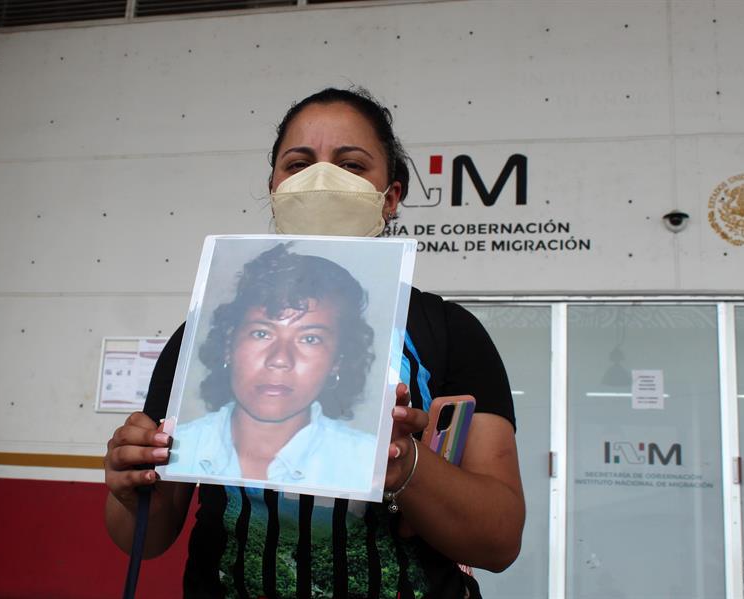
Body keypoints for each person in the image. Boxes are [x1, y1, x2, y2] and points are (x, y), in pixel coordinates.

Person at [105, 87, 525, 598]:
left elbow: (499, 541)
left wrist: (405, 462)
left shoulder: (449, 332)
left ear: (390, 197)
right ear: (275, 187)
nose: (321, 179)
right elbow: (145, 540)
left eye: (351, 165)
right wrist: (132, 490)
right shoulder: (204, 332)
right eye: (299, 164)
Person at [168, 242, 378, 491]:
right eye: (261, 333)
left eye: (310, 339)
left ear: (337, 362)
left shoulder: (369, 463)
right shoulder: (177, 448)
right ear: (228, 345)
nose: (280, 359)